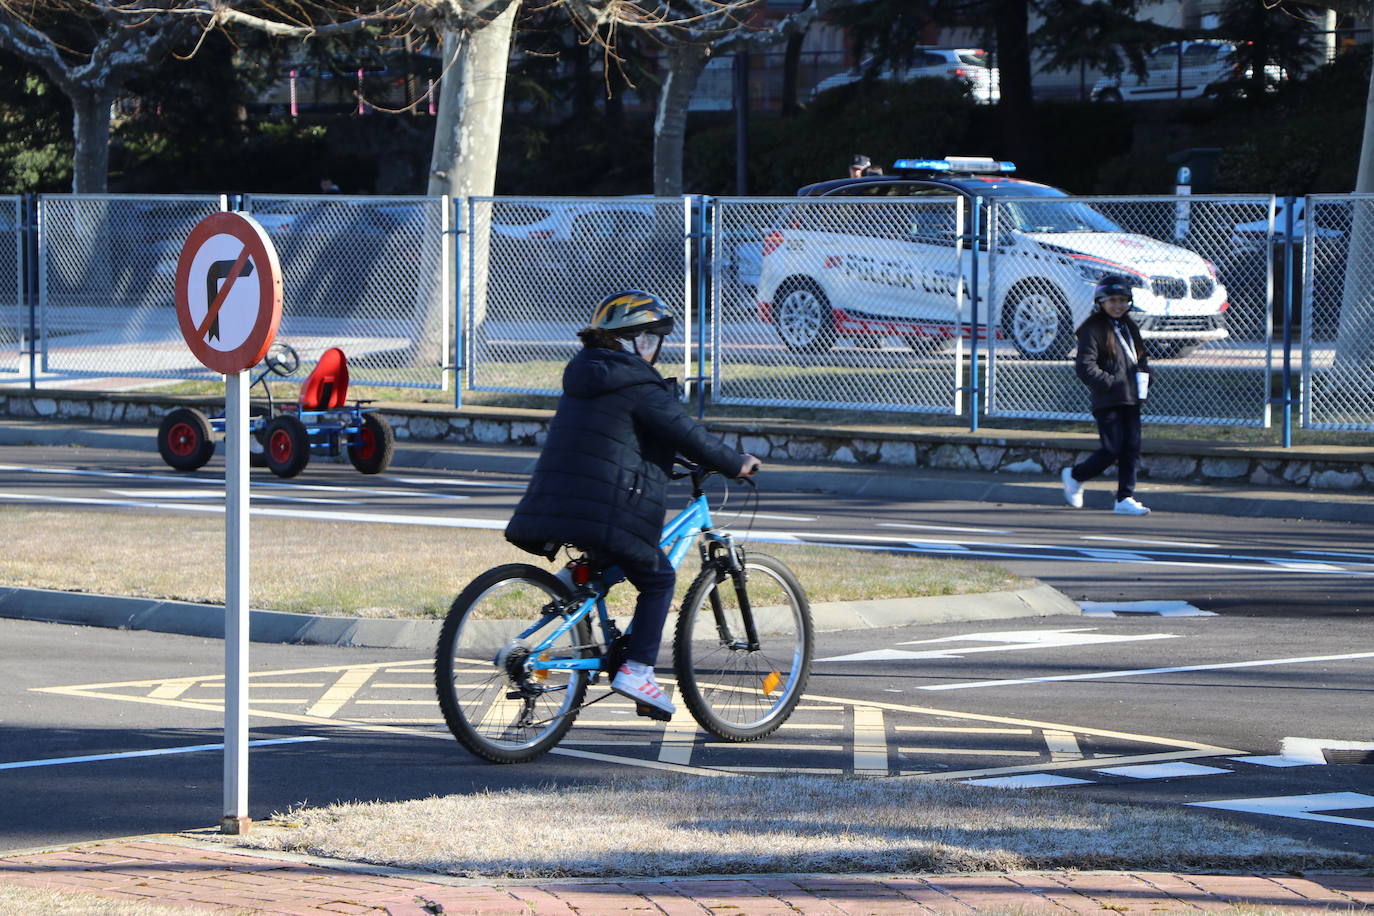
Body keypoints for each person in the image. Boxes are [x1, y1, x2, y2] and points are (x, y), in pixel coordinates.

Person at [505, 290, 762, 717]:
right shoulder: (639, 383)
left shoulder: (584, 376)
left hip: (553, 504)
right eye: (652, 339)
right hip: (605, 508)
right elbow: (689, 434)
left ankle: (569, 586)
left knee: (614, 560)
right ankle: (638, 670)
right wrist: (737, 463)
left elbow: (616, 435)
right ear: (637, 341)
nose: (656, 349)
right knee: (658, 577)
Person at [1061, 274, 1152, 516]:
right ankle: (1075, 475)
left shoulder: (1129, 326)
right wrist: (1109, 383)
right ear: (1101, 301)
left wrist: (1145, 376)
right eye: (1112, 300)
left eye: (1122, 300)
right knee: (1112, 449)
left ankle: (1125, 497)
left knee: (1131, 447)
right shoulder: (1093, 328)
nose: (1118, 305)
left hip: (1131, 397)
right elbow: (1085, 366)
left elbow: (1140, 357)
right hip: (1108, 399)